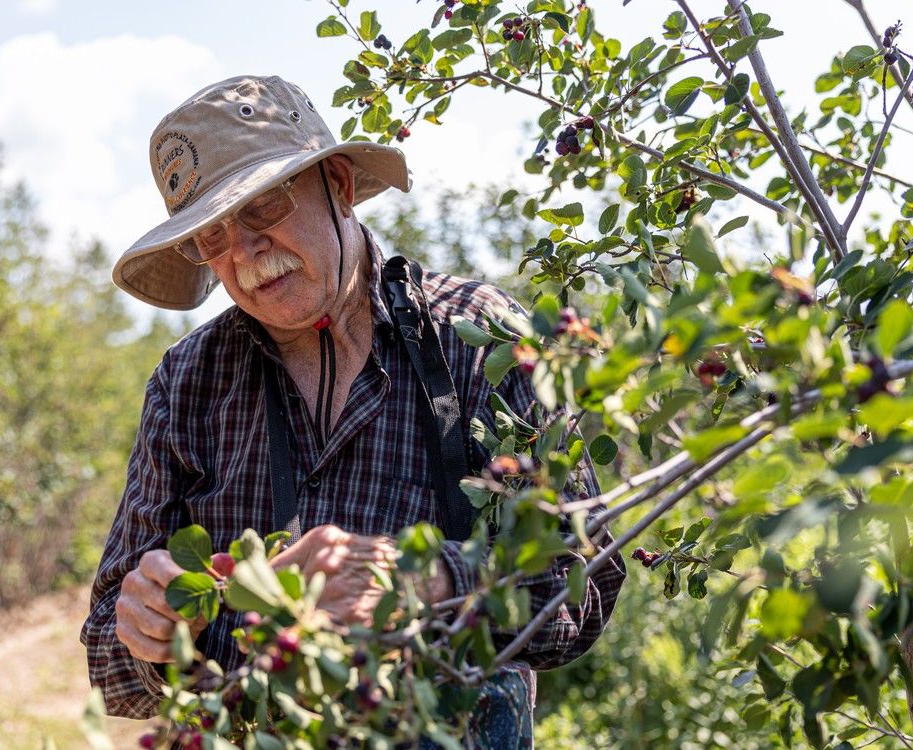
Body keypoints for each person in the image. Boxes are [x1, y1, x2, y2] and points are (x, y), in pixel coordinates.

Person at [80, 74, 625, 747]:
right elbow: (106, 651)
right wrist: (152, 633)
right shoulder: (188, 383)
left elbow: (586, 581)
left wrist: (424, 578)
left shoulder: (481, 341)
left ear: (336, 183)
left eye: (261, 208)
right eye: (210, 239)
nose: (244, 255)